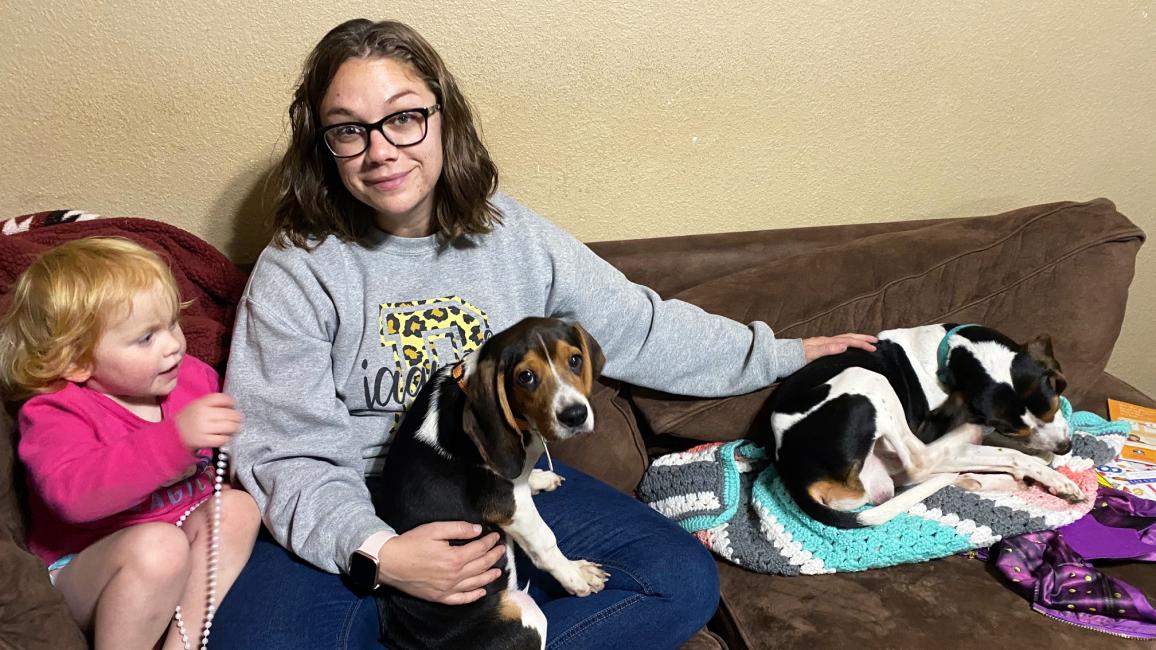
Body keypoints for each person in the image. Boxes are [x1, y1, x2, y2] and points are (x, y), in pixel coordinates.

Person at [213, 18, 877, 649]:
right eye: (347, 130)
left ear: (443, 115)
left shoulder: (510, 235)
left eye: (405, 117)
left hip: (492, 481)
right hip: (351, 507)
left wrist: (785, 355)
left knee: (676, 580)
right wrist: (381, 553)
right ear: (322, 146)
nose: (381, 148)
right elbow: (284, 449)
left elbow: (641, 326)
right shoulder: (297, 268)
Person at [0, 237, 262, 650]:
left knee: (238, 508)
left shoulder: (191, 379)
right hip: (88, 570)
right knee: (160, 548)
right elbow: (73, 496)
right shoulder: (57, 410)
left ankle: (183, 643)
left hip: (182, 554)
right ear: (76, 361)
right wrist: (173, 442)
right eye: (146, 338)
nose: (174, 344)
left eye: (172, 323)